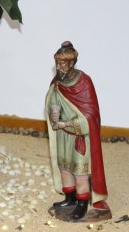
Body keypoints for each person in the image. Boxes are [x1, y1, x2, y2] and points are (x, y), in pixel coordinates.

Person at [45, 41, 109, 220]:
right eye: (57, 63)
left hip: (80, 136)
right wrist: (54, 112)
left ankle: (82, 202)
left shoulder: (84, 82)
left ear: (72, 63)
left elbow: (91, 115)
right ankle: (70, 198)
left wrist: (68, 123)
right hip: (63, 135)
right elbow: (53, 100)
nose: (59, 67)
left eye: (62, 64)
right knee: (65, 168)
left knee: (80, 172)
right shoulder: (57, 82)